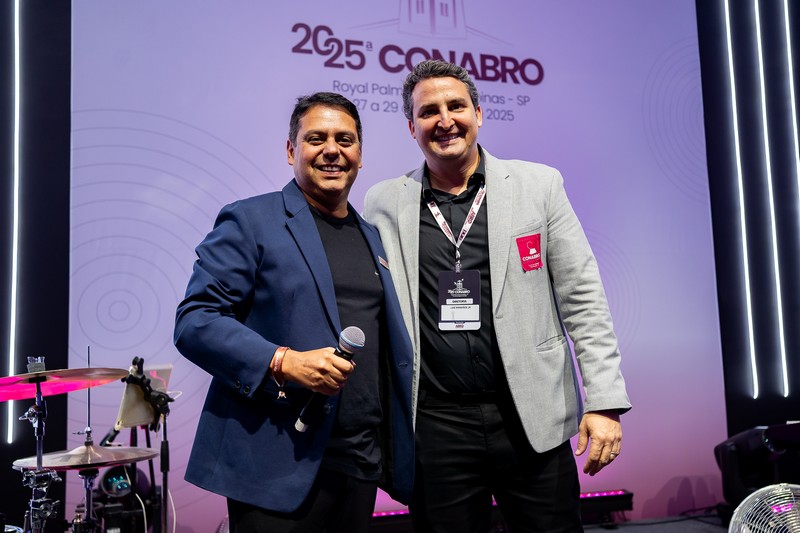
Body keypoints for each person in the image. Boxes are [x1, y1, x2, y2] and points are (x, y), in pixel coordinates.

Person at [363, 60, 631, 532]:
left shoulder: (539, 186)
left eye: (456, 106)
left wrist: (604, 401)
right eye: (428, 111)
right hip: (436, 425)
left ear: (479, 114)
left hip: (531, 415)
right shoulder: (383, 202)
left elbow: (583, 297)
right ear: (411, 127)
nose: (444, 120)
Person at [174, 92, 414, 533]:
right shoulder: (250, 220)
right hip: (275, 464)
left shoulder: (374, 236)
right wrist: (282, 361)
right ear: (291, 150)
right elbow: (195, 320)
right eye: (316, 138)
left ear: (360, 155)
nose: (331, 150)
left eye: (345, 140)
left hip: (360, 462)